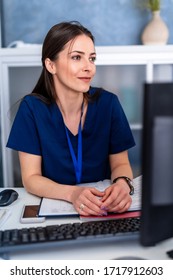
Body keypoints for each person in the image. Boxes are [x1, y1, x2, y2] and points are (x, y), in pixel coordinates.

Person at [7, 21, 135, 216]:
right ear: (51, 65)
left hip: (102, 207)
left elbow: (120, 164)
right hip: (56, 206)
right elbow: (31, 178)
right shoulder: (32, 109)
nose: (88, 67)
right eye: (77, 57)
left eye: (92, 59)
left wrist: (123, 184)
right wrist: (73, 193)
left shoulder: (108, 104)